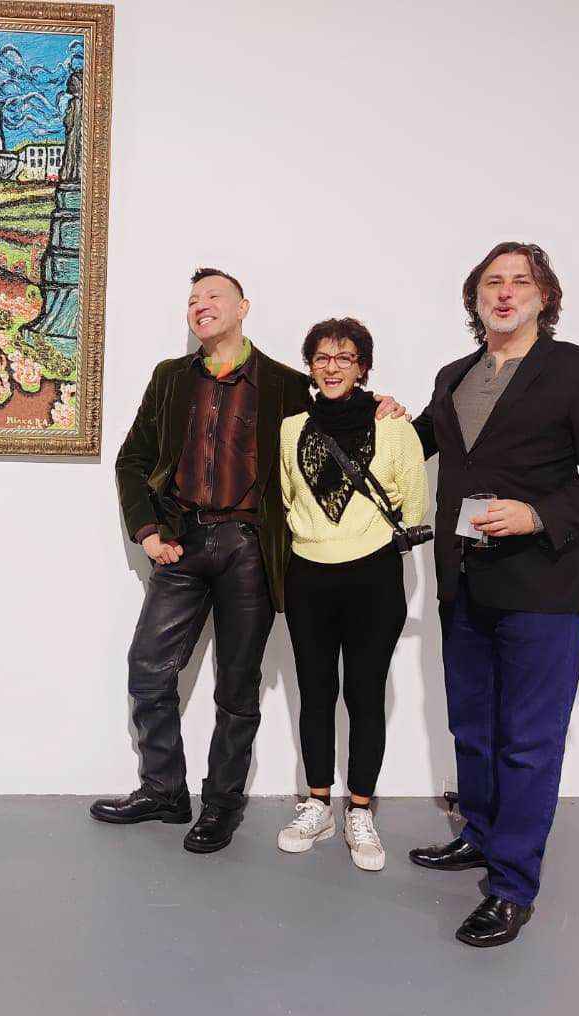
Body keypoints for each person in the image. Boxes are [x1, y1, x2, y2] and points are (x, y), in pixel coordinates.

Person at [93, 268, 406, 854]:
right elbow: (132, 459)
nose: (200, 305)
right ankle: (163, 790)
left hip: (249, 548)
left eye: (214, 296)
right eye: (192, 299)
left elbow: (337, 407)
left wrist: (383, 404)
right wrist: (148, 532)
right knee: (148, 668)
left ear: (243, 308)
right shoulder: (169, 378)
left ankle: (222, 804)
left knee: (237, 688)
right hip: (182, 543)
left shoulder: (285, 383)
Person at [408, 242, 579, 946]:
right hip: (464, 580)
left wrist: (539, 514)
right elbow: (416, 444)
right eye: (492, 282)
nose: (504, 293)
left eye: (520, 282)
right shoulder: (454, 376)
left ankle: (511, 887)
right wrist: (374, 413)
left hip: (543, 583)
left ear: (545, 298)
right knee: (471, 727)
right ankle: (479, 834)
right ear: (474, 297)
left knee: (528, 742)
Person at [275, 318, 427, 871]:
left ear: (363, 366)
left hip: (373, 576)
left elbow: (415, 502)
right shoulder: (291, 428)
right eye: (321, 357)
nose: (332, 367)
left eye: (344, 357)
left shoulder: (394, 427)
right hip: (308, 573)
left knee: (365, 694)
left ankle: (360, 809)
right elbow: (289, 497)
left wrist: (367, 537)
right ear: (310, 367)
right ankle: (317, 804)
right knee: (315, 693)